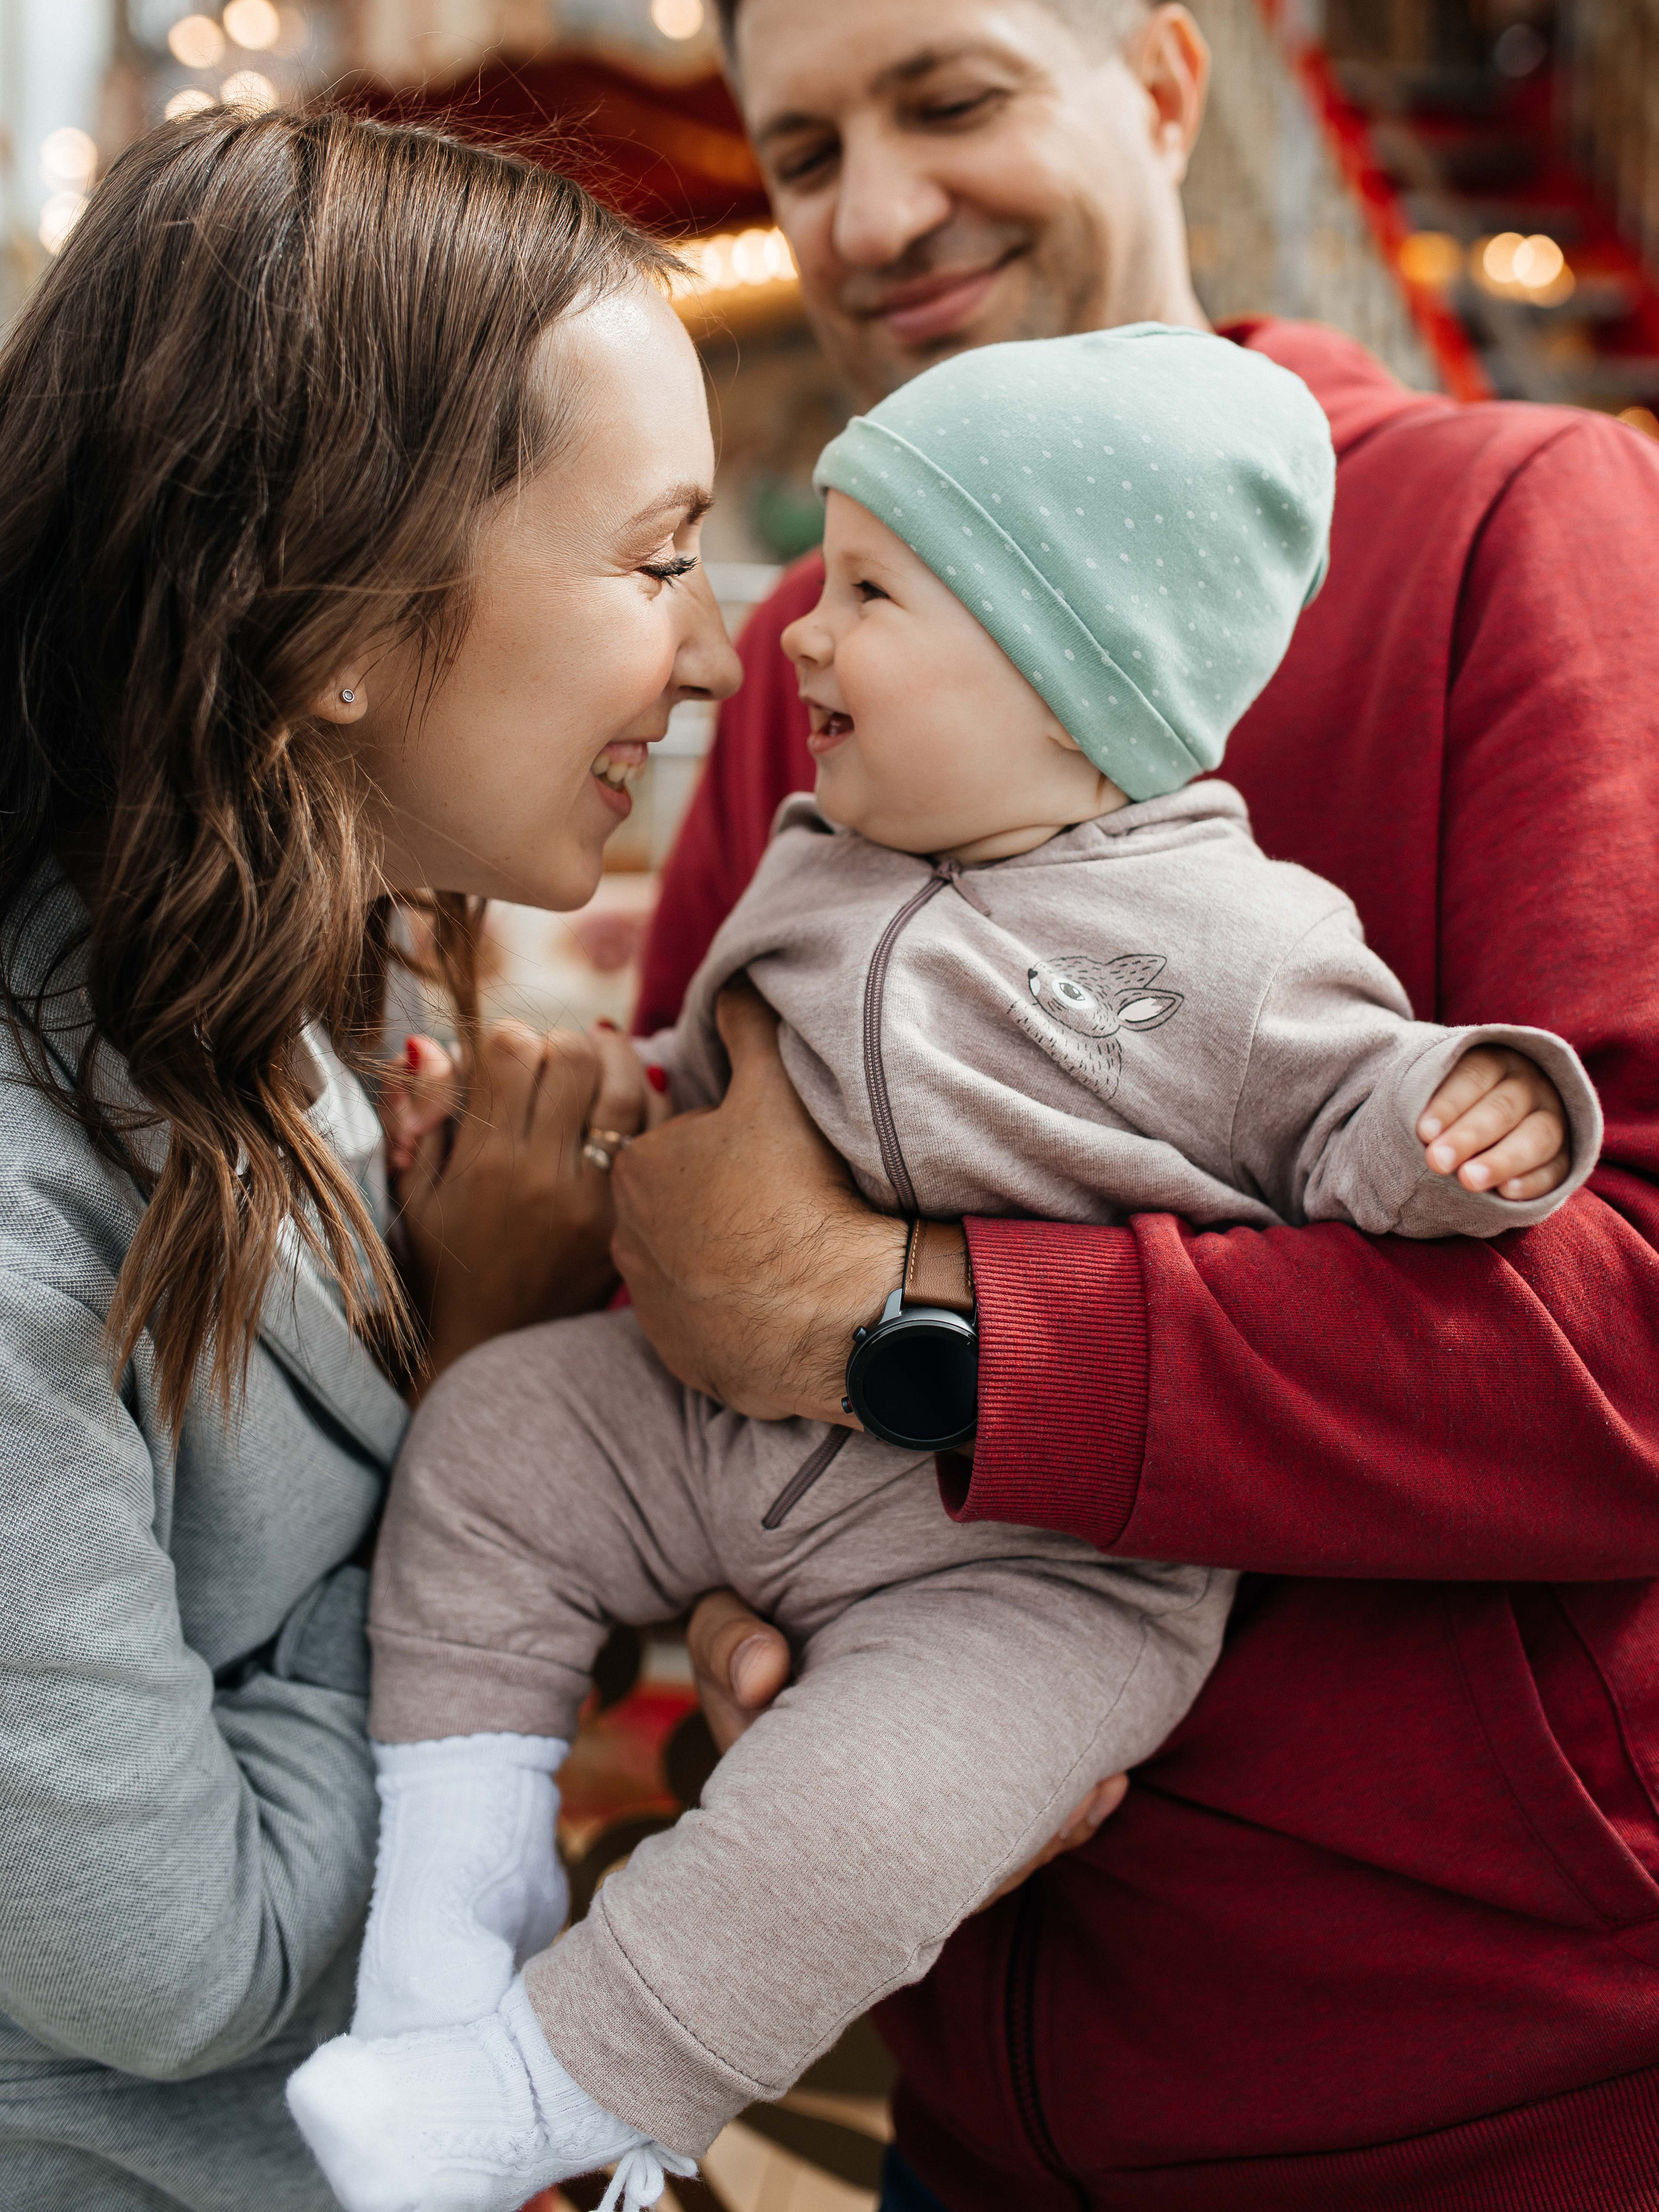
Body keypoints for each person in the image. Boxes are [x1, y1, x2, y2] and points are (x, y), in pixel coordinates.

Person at [609, 0, 1659, 2212]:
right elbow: (690, 1240)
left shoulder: (1517, 524)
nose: (871, 215)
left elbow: (1635, 1317)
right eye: (801, 149)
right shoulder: (806, 662)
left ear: (1166, 87)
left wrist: (923, 1329)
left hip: (1487, 2085)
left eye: (951, 100)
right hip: (981, 2073)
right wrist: (764, 1591)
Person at [292, 325, 1595, 2212]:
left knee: (862, 1812)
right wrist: (585, 1123)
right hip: (722, 1428)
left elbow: (1350, 1116)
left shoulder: (1231, 933)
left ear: (1071, 671)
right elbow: (715, 1078)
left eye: (874, 590)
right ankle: (444, 1912)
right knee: (495, 1438)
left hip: (1036, 1571)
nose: (800, 634)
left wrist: (1465, 1123)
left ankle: (550, 2089)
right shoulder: (821, 857)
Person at [0, 103, 739, 2212]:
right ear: (332, 615)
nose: (705, 655)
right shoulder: (20, 1196)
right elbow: (188, 1960)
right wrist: (476, 1375)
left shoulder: (308, 1007)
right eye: (657, 556)